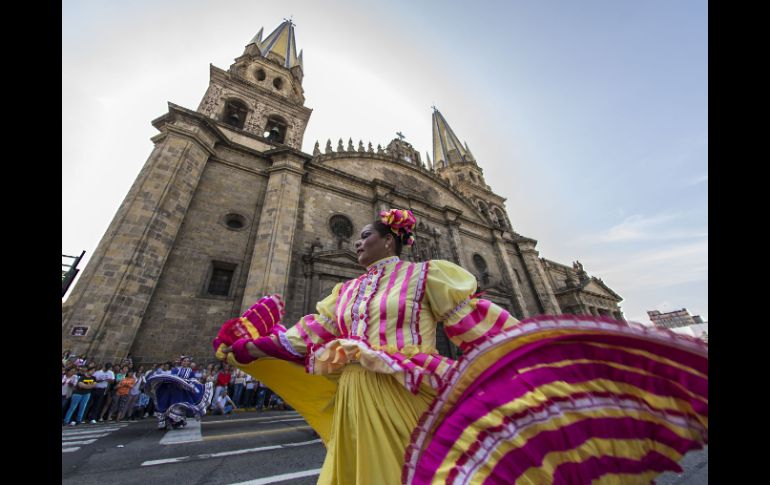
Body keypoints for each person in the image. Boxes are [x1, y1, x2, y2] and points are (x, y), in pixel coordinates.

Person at [215, 209, 709, 484]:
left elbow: (485, 329)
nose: (357, 243)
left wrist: (543, 359)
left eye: (365, 235)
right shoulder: (342, 293)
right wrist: (248, 349)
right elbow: (302, 339)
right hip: (353, 405)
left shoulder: (427, 277)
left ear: (391, 240)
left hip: (409, 395)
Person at [146, 355, 213, 430]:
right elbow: (171, 378)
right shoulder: (176, 370)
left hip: (182, 392)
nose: (186, 362)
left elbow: (193, 380)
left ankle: (176, 422)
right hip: (173, 391)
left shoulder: (190, 371)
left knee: (179, 406)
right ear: (181, 362)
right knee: (169, 404)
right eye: (184, 361)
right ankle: (166, 423)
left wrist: (187, 384)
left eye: (187, 361)